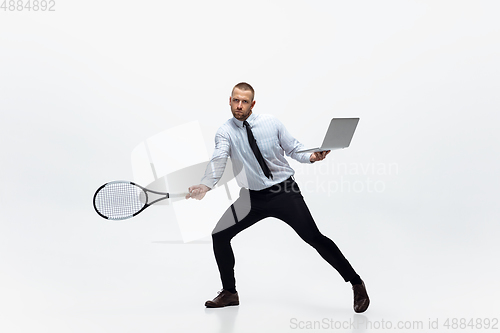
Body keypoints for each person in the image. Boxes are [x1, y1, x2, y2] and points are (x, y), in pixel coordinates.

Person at [186, 82, 369, 313]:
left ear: (252, 104)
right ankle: (230, 293)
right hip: (251, 198)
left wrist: (312, 156)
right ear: (229, 100)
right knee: (219, 235)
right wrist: (206, 185)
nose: (239, 106)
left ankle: (356, 283)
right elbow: (219, 159)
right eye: (235, 100)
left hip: (283, 192)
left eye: (244, 101)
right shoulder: (225, 132)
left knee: (314, 237)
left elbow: (293, 148)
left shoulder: (271, 123)